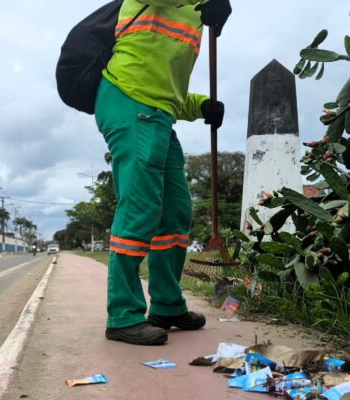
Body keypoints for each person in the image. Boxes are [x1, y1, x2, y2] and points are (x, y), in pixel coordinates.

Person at [95, 0, 231, 345]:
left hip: (159, 113)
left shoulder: (195, 17)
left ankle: (168, 305)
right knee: (140, 207)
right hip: (129, 101)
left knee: (174, 212)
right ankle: (123, 314)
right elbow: (144, 80)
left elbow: (168, 89)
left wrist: (201, 105)